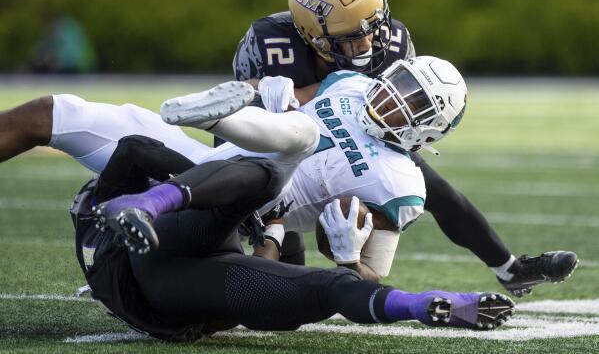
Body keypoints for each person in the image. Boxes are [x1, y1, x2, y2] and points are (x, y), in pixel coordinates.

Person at [228, 0, 578, 296]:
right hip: (286, 137)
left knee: (440, 192)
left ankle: (510, 270)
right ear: (310, 35)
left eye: (372, 28)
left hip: (360, 133)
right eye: (352, 37)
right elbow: (238, 117)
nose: (369, 43)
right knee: (274, 246)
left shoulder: (392, 41)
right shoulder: (271, 43)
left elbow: (401, 117)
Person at [71, 84, 514, 342]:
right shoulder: (350, 89)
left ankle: (425, 305)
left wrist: (295, 239)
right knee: (271, 192)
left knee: (267, 191)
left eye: (417, 105)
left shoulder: (401, 182)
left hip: (156, 272)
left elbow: (136, 151)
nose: (399, 104)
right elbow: (135, 150)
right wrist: (271, 229)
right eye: (401, 88)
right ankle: (414, 305)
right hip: (164, 284)